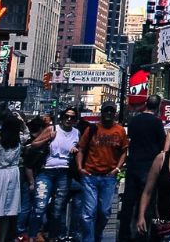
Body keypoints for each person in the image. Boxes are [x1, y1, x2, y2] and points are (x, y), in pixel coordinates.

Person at [76, 102, 128, 242]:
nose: (109, 114)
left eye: (111, 111)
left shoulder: (120, 130)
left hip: (108, 177)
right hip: (90, 175)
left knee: (104, 212)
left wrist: (117, 168)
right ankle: (89, 239)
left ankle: (97, 235)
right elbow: (81, 149)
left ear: (115, 113)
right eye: (106, 111)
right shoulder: (92, 129)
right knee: (89, 212)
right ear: (102, 112)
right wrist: (80, 168)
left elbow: (124, 151)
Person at [119, 96, 167, 242]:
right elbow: (162, 143)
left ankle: (124, 235)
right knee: (146, 200)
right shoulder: (157, 123)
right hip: (150, 165)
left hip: (134, 163)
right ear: (158, 107)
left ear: (146, 104)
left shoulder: (135, 120)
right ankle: (142, 233)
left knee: (129, 201)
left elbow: (131, 138)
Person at [30, 107, 78, 242]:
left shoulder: (76, 133)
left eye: (72, 117)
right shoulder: (52, 129)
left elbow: (80, 148)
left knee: (57, 209)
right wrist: (48, 139)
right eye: (66, 116)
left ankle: (52, 237)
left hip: (64, 172)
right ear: (62, 117)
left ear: (75, 120)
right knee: (40, 207)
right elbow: (34, 144)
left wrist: (76, 150)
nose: (69, 119)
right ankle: (33, 236)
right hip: (47, 171)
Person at [16, 115, 51, 241]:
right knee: (32, 206)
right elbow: (29, 165)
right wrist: (32, 182)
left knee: (28, 206)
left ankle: (22, 232)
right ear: (41, 128)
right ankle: (24, 232)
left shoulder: (27, 141)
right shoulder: (36, 145)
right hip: (32, 178)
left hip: (28, 178)